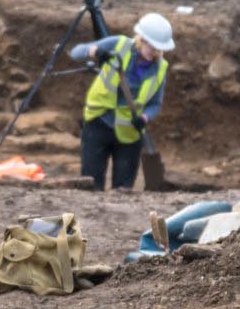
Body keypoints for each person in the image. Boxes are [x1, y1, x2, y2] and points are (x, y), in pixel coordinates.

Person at [72, 14, 173, 191]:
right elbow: (76, 52)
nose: (154, 52)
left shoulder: (160, 68)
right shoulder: (118, 44)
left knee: (123, 191)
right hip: (99, 122)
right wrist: (95, 51)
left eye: (159, 49)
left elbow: (155, 103)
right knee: (90, 186)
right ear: (141, 40)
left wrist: (144, 117)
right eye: (151, 46)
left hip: (129, 133)